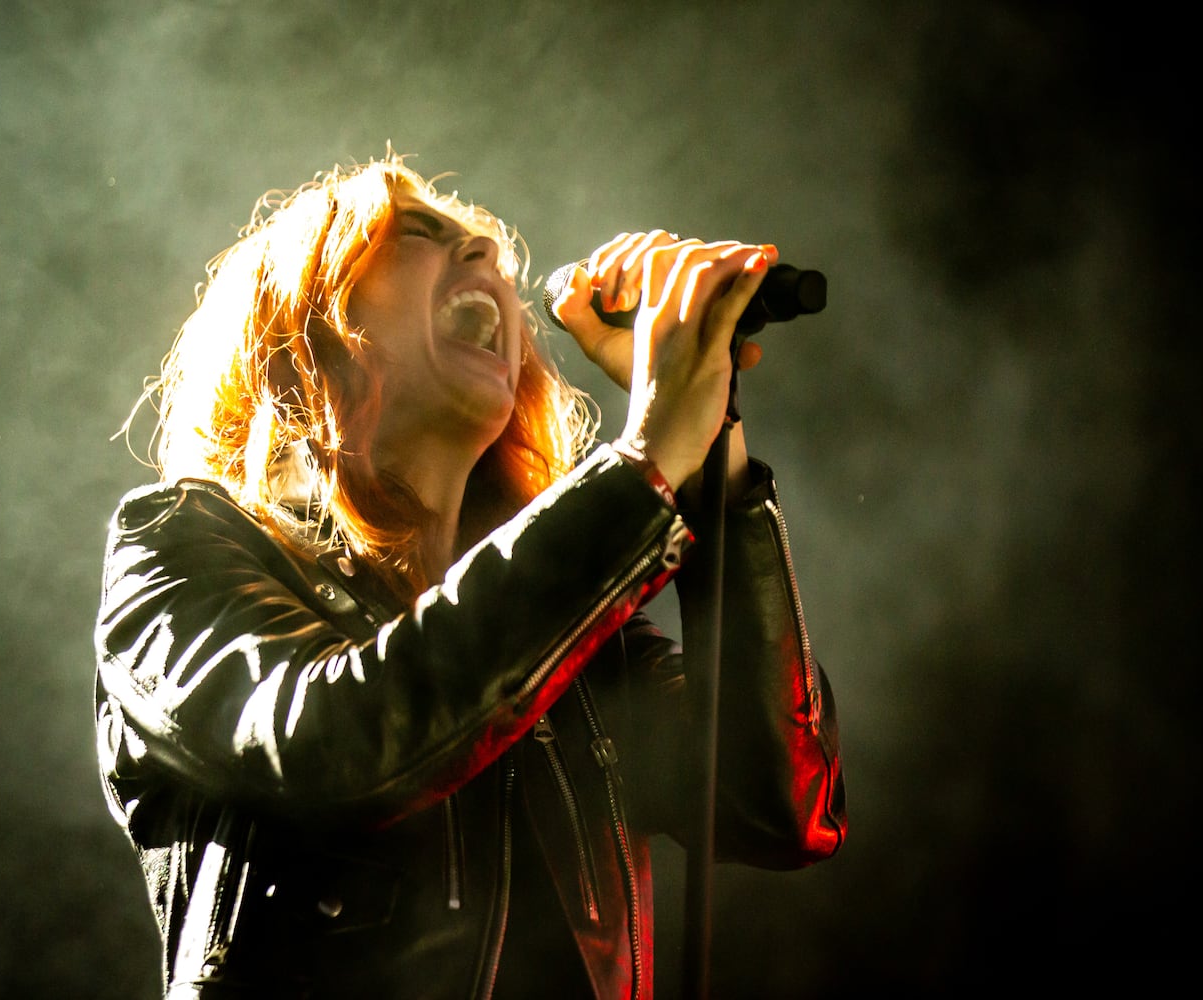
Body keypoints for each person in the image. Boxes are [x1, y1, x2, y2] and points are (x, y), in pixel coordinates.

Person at [94, 152, 846, 1000]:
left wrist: (715, 476)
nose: (489, 257)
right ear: (302, 326)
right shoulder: (178, 543)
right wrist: (641, 465)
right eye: (420, 232)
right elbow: (338, 740)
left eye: (493, 252)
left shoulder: (574, 641)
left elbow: (777, 807)